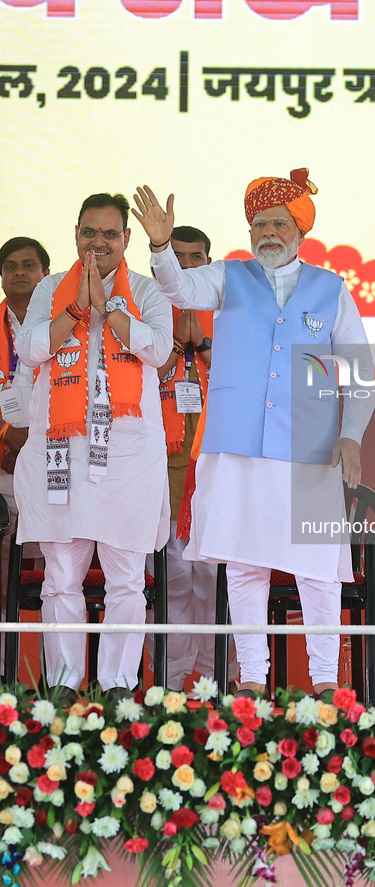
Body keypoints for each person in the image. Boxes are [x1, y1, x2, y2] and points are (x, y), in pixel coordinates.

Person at [132, 170, 375, 700]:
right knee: (244, 567)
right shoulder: (229, 277)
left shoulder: (331, 289)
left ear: (300, 230)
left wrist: (351, 434)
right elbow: (178, 287)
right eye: (258, 223)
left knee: (316, 571)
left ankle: (327, 684)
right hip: (237, 446)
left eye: (278, 223)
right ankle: (251, 681)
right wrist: (159, 245)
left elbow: (360, 370)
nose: (267, 231)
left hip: (309, 452)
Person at [13, 193, 172, 706]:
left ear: (126, 238)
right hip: (61, 450)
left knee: (126, 577)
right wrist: (76, 312)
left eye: (109, 234)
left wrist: (110, 313)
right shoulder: (48, 290)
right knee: (61, 576)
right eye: (89, 232)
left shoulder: (147, 291)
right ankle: (63, 682)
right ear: (76, 233)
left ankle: (118, 686)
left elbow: (159, 350)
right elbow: (30, 348)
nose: (98, 243)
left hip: (126, 456)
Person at [146, 225, 238, 690]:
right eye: (173, 257)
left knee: (215, 584)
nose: (183, 266)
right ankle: (170, 678)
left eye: (194, 258)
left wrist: (201, 345)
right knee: (171, 585)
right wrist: (172, 348)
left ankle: (218, 681)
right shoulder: (145, 310)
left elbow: (247, 379)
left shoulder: (230, 310)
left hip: (216, 475)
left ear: (209, 261)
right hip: (160, 476)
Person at [0, 237, 50, 676]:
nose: (19, 272)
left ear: (45, 274)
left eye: (28, 265)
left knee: (54, 575)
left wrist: (33, 443)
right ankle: (3, 673)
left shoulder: (65, 321)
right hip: (2, 466)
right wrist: (7, 441)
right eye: (11, 265)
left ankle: (56, 677)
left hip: (54, 458)